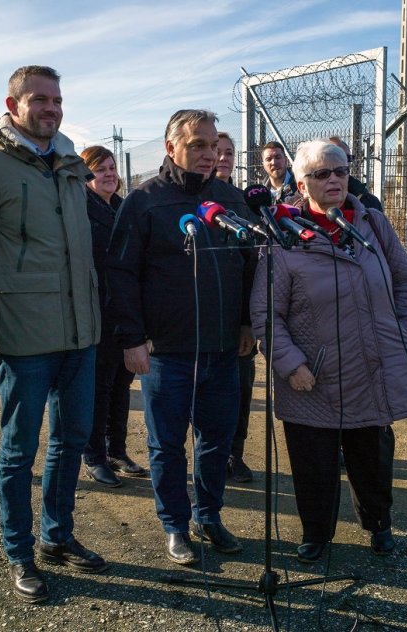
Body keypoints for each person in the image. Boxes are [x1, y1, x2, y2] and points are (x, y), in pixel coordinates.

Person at [0, 65, 106, 604]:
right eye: (39, 99)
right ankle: (19, 552)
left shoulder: (68, 165)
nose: (51, 108)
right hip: (24, 337)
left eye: (57, 99)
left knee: (71, 439)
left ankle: (56, 536)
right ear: (12, 105)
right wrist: (4, 305)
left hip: (80, 333)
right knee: (19, 450)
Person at [250, 139, 407, 563]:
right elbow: (266, 313)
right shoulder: (283, 236)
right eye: (322, 173)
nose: (334, 180)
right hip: (314, 377)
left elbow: (406, 279)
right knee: (313, 462)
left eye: (341, 171)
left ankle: (379, 525)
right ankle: (316, 532)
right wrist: (291, 364)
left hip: (372, 366)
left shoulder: (372, 223)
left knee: (373, 456)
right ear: (301, 183)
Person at [106, 109, 254, 566]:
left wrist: (247, 322)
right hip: (166, 353)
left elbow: (249, 264)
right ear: (171, 148)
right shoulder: (144, 201)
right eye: (197, 145)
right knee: (167, 445)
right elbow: (121, 274)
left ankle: (209, 516)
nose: (209, 154)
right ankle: (175, 524)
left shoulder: (230, 199)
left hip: (223, 350)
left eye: (213, 146)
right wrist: (131, 339)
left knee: (216, 441)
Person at [79, 145, 147, 488]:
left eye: (111, 168)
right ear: (85, 175)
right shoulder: (81, 210)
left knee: (122, 383)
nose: (108, 174)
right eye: (99, 169)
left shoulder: (122, 208)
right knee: (99, 386)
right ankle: (94, 456)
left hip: (124, 310)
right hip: (97, 310)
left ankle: (116, 450)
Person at [214, 131, 255, 483]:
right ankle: (211, 456)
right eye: (217, 151)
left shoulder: (242, 202)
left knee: (241, 389)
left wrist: (248, 322)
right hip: (200, 320)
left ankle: (234, 454)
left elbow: (252, 264)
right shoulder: (189, 201)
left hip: (237, 319)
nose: (223, 158)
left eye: (229, 152)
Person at [327, 135, 384, 212]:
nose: (343, 162)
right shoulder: (312, 197)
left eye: (347, 158)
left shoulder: (369, 202)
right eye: (336, 157)